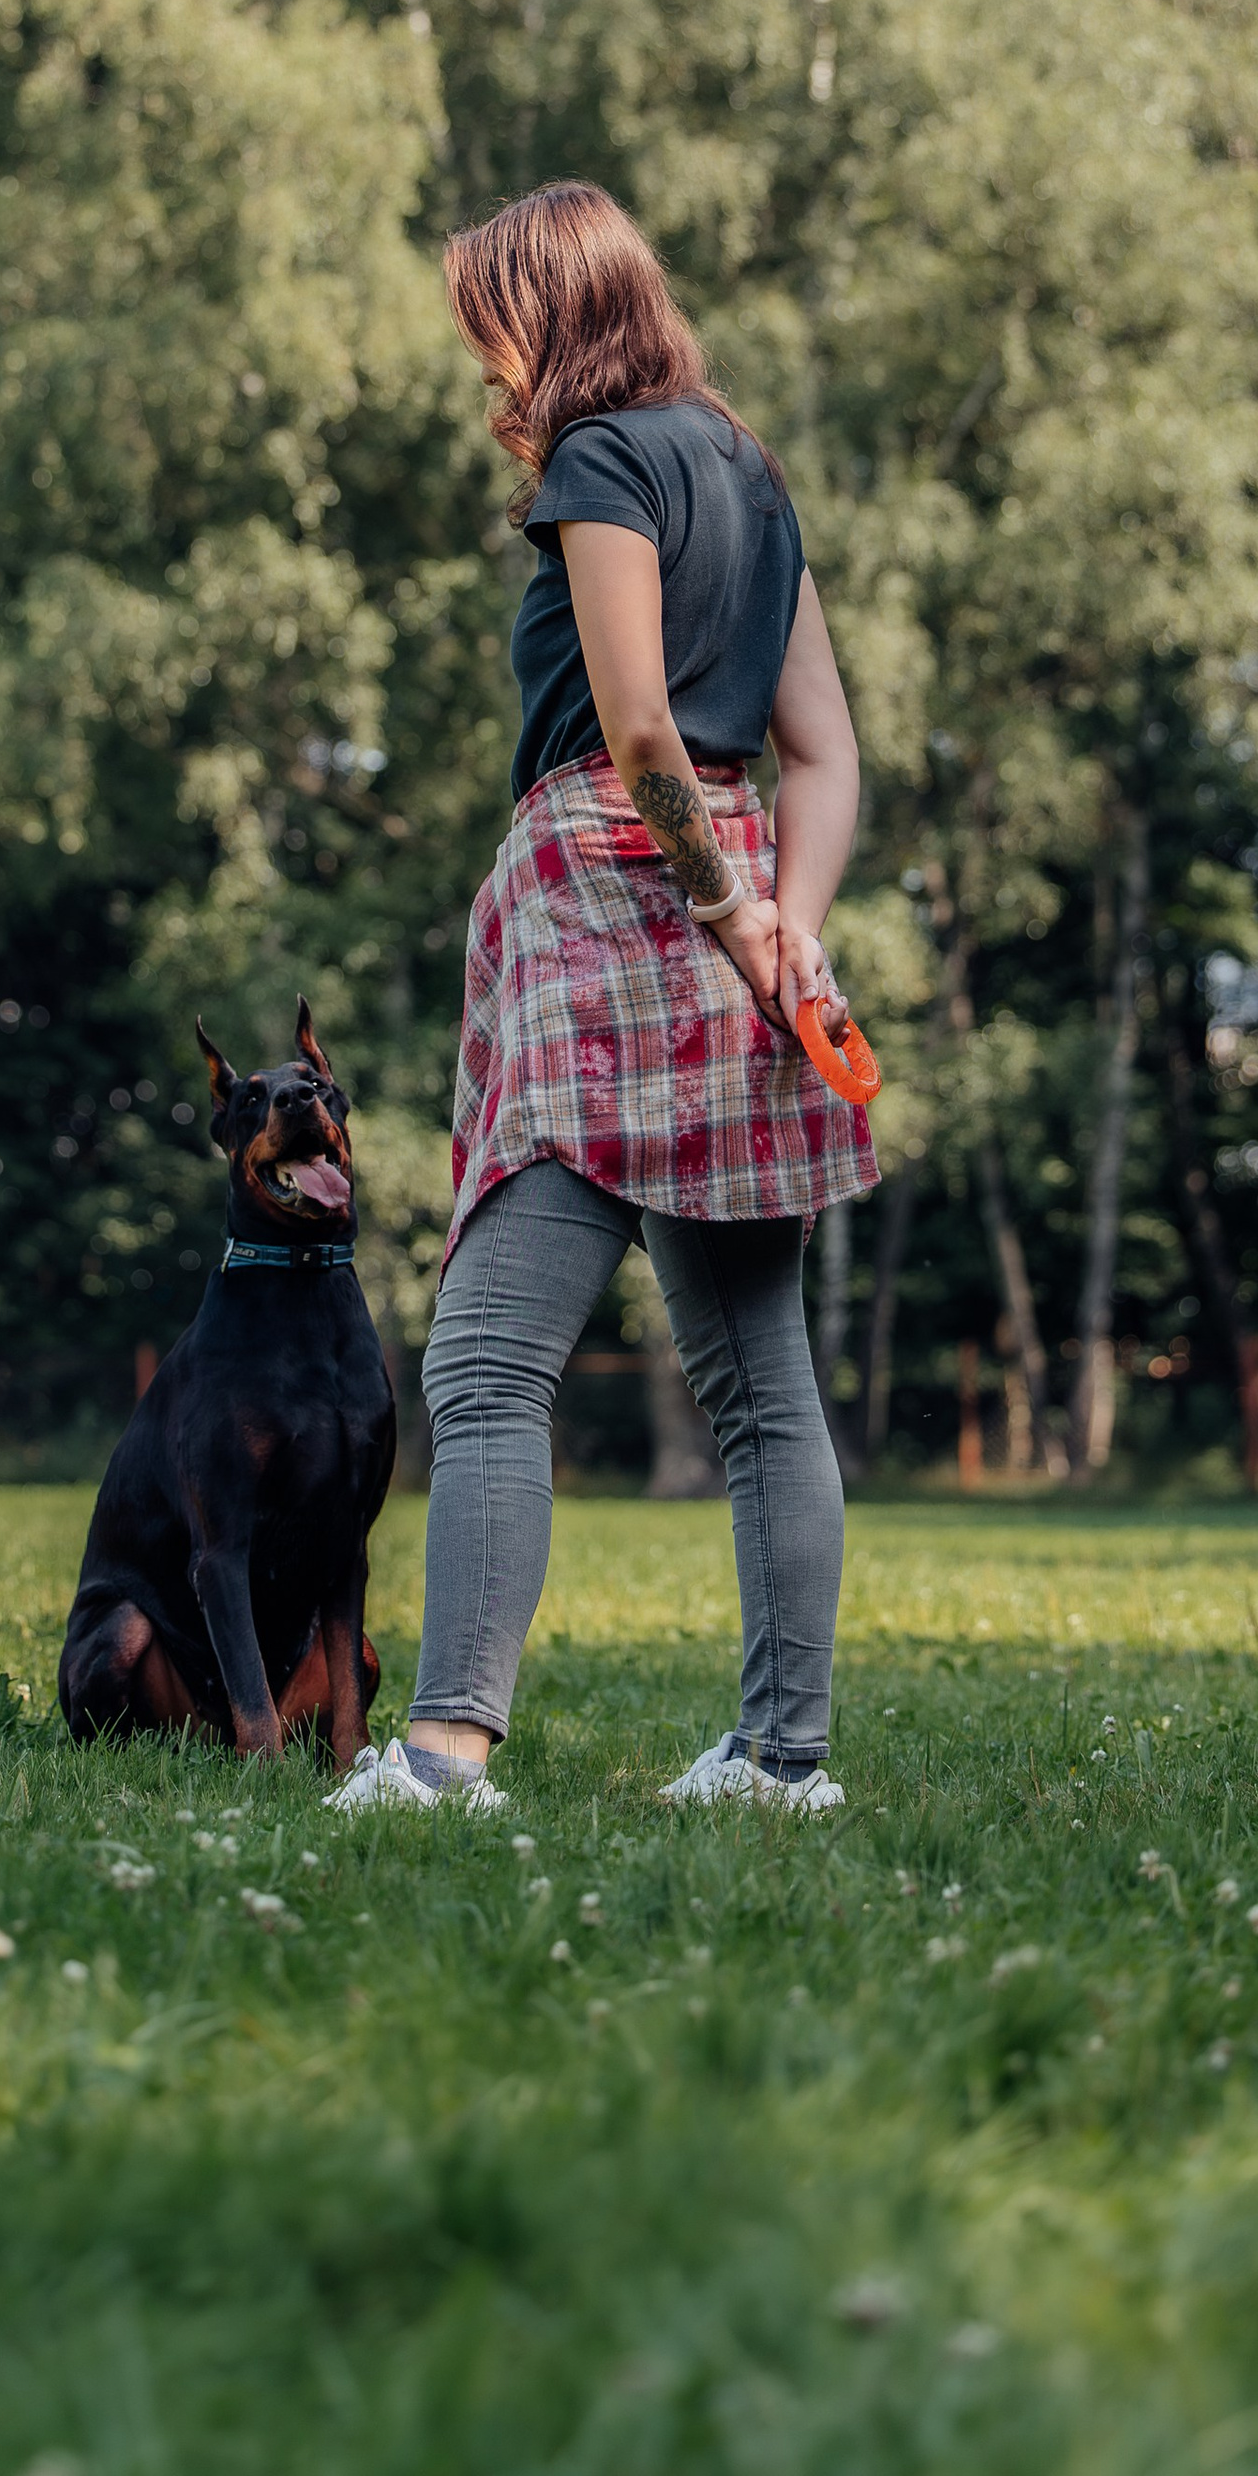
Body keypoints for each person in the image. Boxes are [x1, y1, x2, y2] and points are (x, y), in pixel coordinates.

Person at [329, 180, 878, 1818]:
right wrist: (786, 929)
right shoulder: (747, 469)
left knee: (487, 1360)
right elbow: (826, 750)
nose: (482, 359)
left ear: (547, 306)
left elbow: (638, 731)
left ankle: (441, 1758)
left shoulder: (604, 460)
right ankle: (786, 1761)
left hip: (614, 894)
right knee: (761, 1382)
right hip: (738, 913)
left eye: (489, 317)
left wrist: (717, 908)